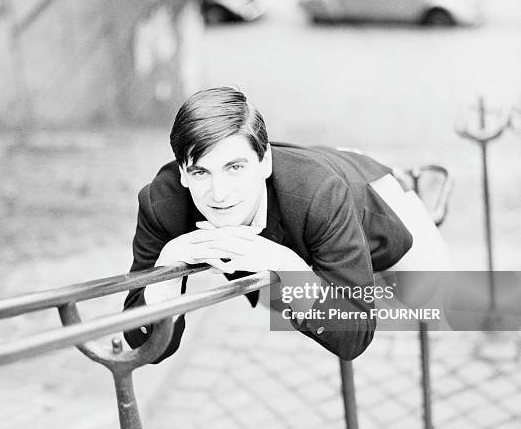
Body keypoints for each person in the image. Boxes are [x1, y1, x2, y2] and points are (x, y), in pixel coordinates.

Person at [123, 87, 448, 363]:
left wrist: (287, 264)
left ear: (265, 162)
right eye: (200, 172)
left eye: (234, 167)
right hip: (300, 209)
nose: (218, 194)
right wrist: (165, 270)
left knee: (433, 298)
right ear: (182, 173)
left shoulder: (321, 194)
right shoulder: (160, 204)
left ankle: (412, 184)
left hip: (370, 199)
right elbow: (143, 343)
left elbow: (355, 335)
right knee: (280, 301)